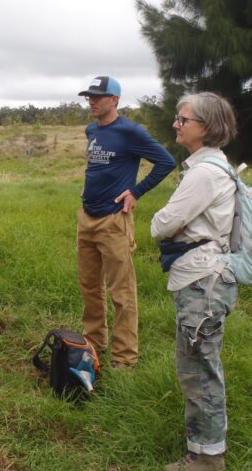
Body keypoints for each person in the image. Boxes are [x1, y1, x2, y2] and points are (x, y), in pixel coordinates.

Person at [150, 92, 238, 471]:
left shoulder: (203, 173)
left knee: (198, 368)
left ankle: (206, 459)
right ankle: (203, 446)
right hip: (206, 276)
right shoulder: (210, 166)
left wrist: (165, 219)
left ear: (206, 127)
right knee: (199, 363)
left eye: (182, 119)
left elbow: (162, 225)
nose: (176, 124)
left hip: (203, 282)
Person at [77, 76, 176, 369]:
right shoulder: (91, 129)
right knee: (89, 286)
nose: (92, 101)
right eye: (89, 97)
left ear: (115, 101)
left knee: (122, 293)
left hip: (113, 221)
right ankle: (94, 344)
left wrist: (136, 191)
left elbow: (166, 161)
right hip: (86, 218)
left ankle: (124, 359)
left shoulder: (131, 132)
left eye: (98, 96)